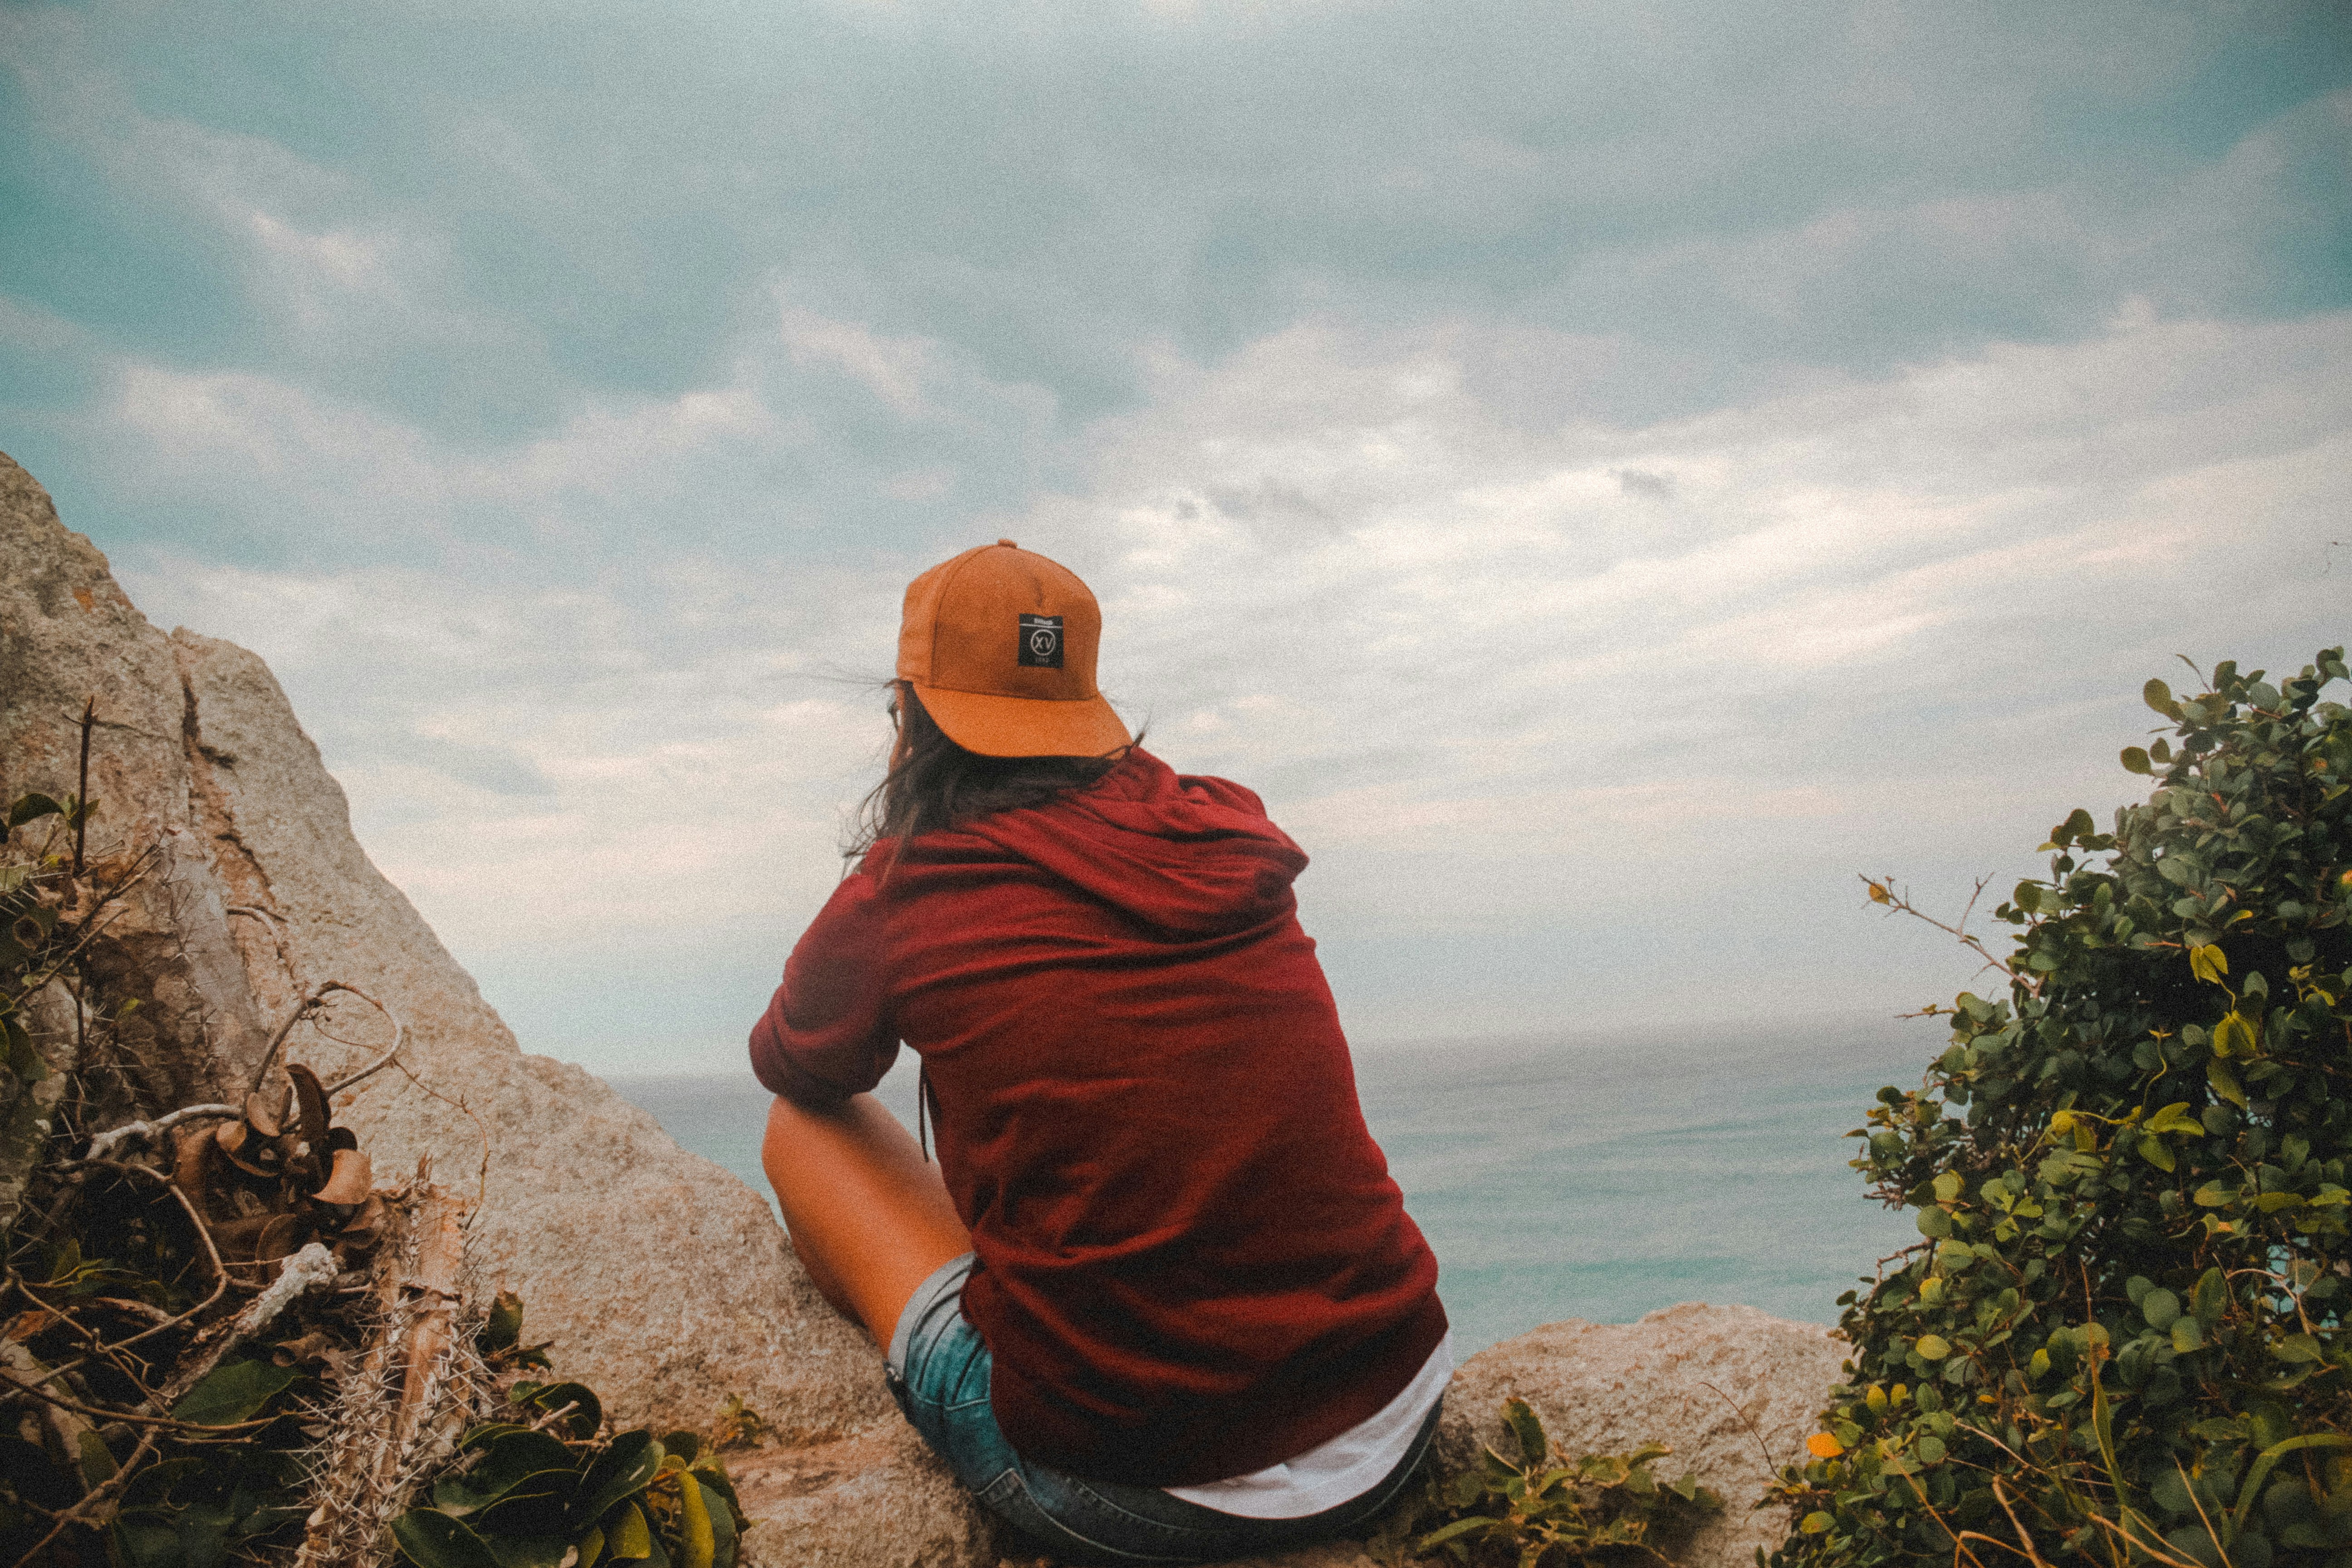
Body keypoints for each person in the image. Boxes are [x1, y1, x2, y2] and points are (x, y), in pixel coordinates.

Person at [750, 539, 1449, 1564]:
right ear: (1086, 706)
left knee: (801, 1130)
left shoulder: (910, 890)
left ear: (911, 711)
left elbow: (798, 1065)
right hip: (1393, 1415)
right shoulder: (1219, 827)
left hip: (1136, 1489)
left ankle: (918, 1366)